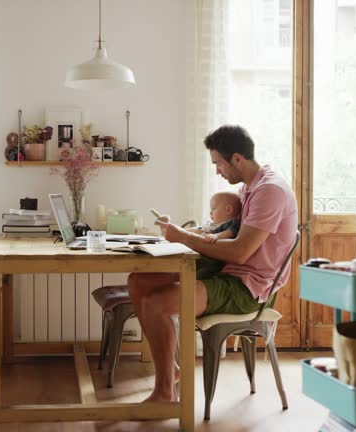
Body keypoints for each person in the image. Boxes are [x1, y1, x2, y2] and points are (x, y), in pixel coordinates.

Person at [127, 124, 298, 402]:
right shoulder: (249, 188)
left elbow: (241, 251)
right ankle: (171, 371)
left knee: (155, 303)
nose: (217, 171)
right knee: (138, 280)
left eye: (218, 163)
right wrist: (187, 235)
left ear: (237, 159)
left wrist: (183, 237)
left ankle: (164, 392)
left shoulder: (270, 191)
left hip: (247, 288)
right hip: (227, 271)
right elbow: (225, 230)